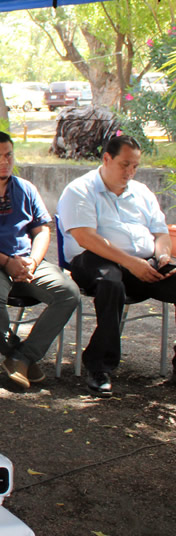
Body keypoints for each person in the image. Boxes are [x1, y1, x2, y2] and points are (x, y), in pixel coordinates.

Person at [0, 130, 80, 390]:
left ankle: (22, 357)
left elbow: (42, 229)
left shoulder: (25, 188)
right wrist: (6, 261)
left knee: (69, 293)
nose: (4, 161)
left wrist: (32, 260)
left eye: (8, 155)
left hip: (26, 263)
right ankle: (14, 352)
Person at [57, 135, 176, 397]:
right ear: (107, 159)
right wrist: (130, 262)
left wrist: (164, 255)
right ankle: (100, 366)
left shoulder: (142, 192)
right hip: (93, 259)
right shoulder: (80, 190)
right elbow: (86, 237)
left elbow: (161, 233)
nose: (130, 172)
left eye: (135, 166)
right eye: (125, 165)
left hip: (144, 261)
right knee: (110, 283)